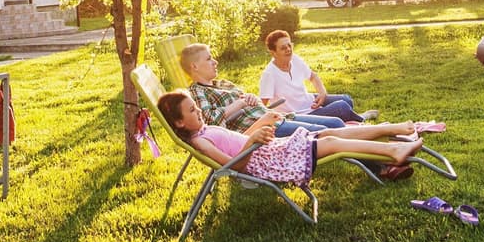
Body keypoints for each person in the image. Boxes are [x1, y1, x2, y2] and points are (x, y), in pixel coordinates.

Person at [156, 90, 425, 185]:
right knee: (330, 143)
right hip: (268, 161)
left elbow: (238, 142)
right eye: (192, 110)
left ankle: (394, 130)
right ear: (179, 122)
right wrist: (253, 142)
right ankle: (392, 152)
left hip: (268, 149)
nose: (199, 110)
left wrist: (260, 124)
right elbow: (233, 166)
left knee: (329, 132)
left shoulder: (204, 130)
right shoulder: (200, 142)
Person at [179, 41, 347, 136]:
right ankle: (370, 160)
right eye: (209, 59)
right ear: (194, 66)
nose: (215, 62)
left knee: (335, 123)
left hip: (277, 117)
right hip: (261, 130)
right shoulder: (197, 92)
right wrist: (240, 103)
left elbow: (253, 102)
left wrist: (251, 99)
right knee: (327, 132)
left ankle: (366, 153)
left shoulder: (222, 84)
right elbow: (210, 122)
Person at [258, 30, 377, 123]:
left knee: (347, 99)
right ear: (273, 52)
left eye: (289, 45)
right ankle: (361, 118)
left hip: (310, 101)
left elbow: (313, 76)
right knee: (342, 107)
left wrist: (322, 93)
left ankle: (350, 118)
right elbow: (262, 105)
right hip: (301, 114)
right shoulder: (269, 74)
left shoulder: (295, 59)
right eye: (283, 48)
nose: (288, 49)